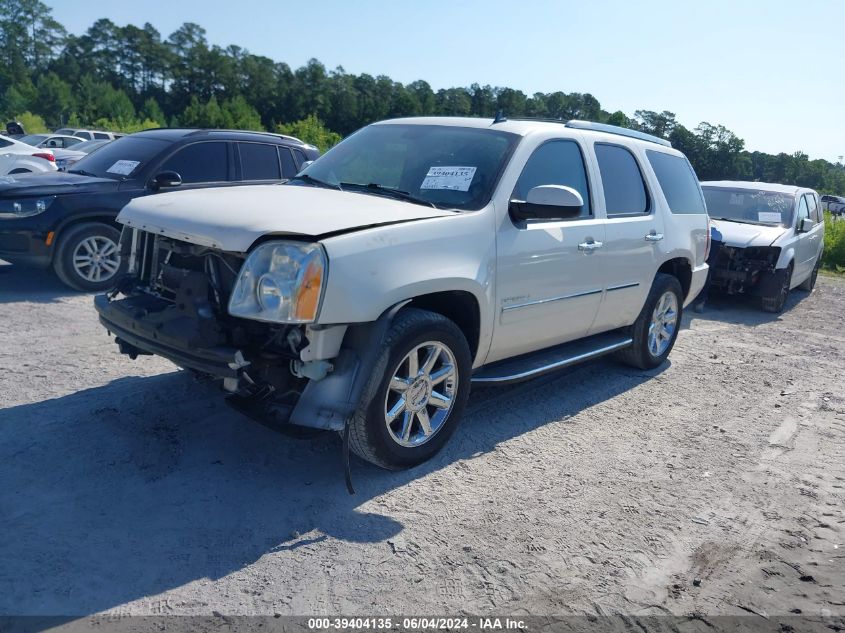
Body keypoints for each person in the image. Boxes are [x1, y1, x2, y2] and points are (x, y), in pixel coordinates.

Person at [693, 224, 723, 313]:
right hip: (704, 234)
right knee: (705, 269)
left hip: (706, 235)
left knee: (705, 270)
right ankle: (698, 302)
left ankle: (699, 302)